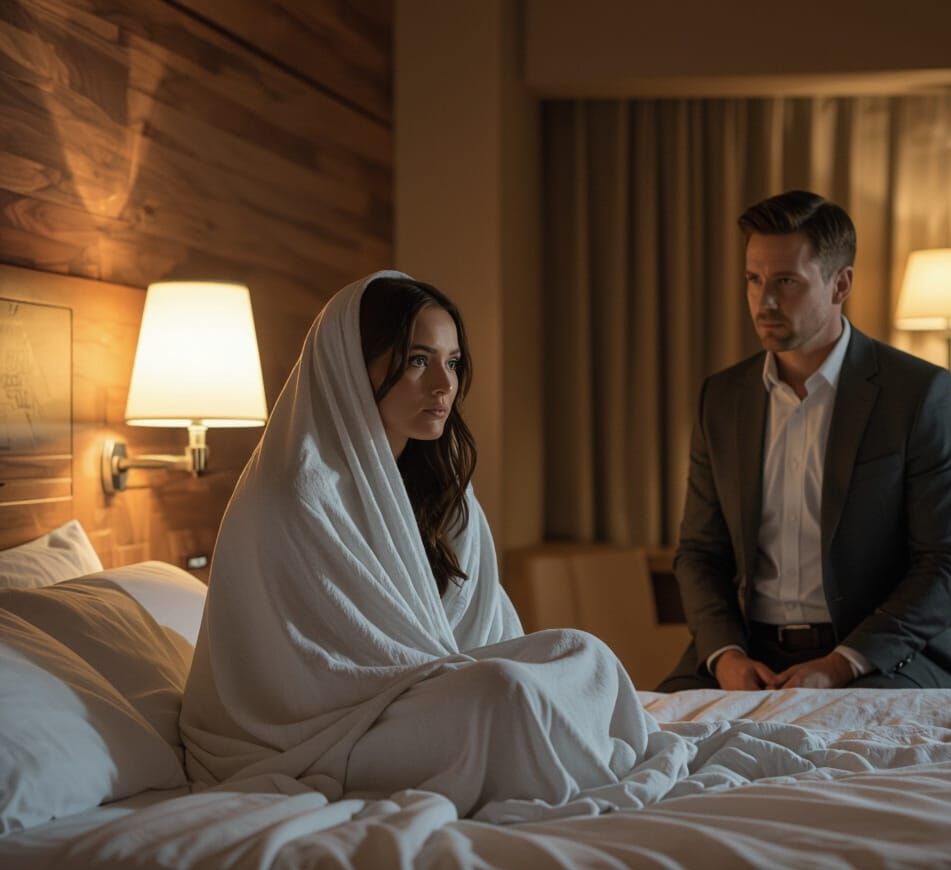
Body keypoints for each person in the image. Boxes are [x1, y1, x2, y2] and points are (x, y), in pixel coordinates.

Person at [179, 272, 654, 818]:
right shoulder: (294, 493)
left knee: (583, 653)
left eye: (452, 362)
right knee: (501, 693)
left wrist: (461, 675)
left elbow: (486, 629)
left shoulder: (444, 488)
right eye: (417, 360)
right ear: (354, 367)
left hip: (431, 694)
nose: (443, 385)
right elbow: (320, 671)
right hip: (341, 724)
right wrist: (457, 680)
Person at [658, 190, 951, 693]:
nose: (764, 301)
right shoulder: (720, 398)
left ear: (841, 284)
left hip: (878, 658)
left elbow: (950, 563)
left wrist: (841, 664)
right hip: (748, 656)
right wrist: (725, 657)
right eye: (754, 279)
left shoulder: (918, 394)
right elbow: (699, 553)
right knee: (647, 752)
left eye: (786, 281)